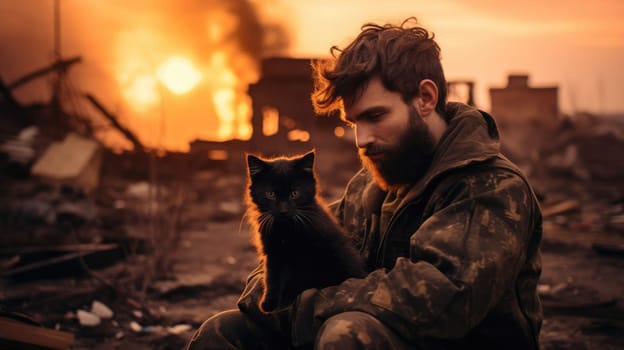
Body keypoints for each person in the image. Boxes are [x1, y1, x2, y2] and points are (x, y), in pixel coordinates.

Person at [186, 17, 543, 349]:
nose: (361, 139)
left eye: (375, 116)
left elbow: (441, 296)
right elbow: (292, 251)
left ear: (426, 98)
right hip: (366, 329)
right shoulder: (371, 184)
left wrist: (302, 308)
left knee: (347, 334)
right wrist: (268, 297)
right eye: (354, 121)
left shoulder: (490, 188)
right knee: (221, 334)